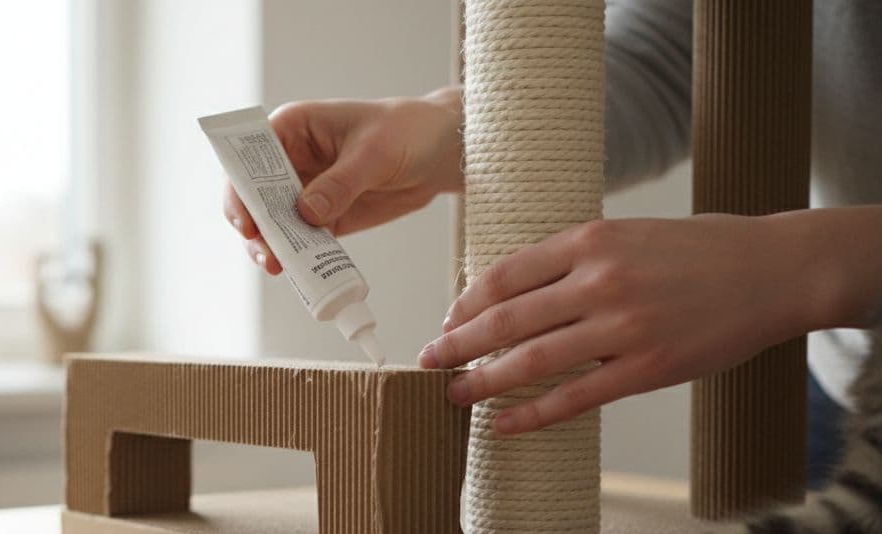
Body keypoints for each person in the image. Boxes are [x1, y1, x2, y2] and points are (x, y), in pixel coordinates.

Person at [221, 0, 882, 488]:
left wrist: (798, 268)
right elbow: (667, 59)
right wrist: (453, 127)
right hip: (843, 386)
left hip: (824, 332)